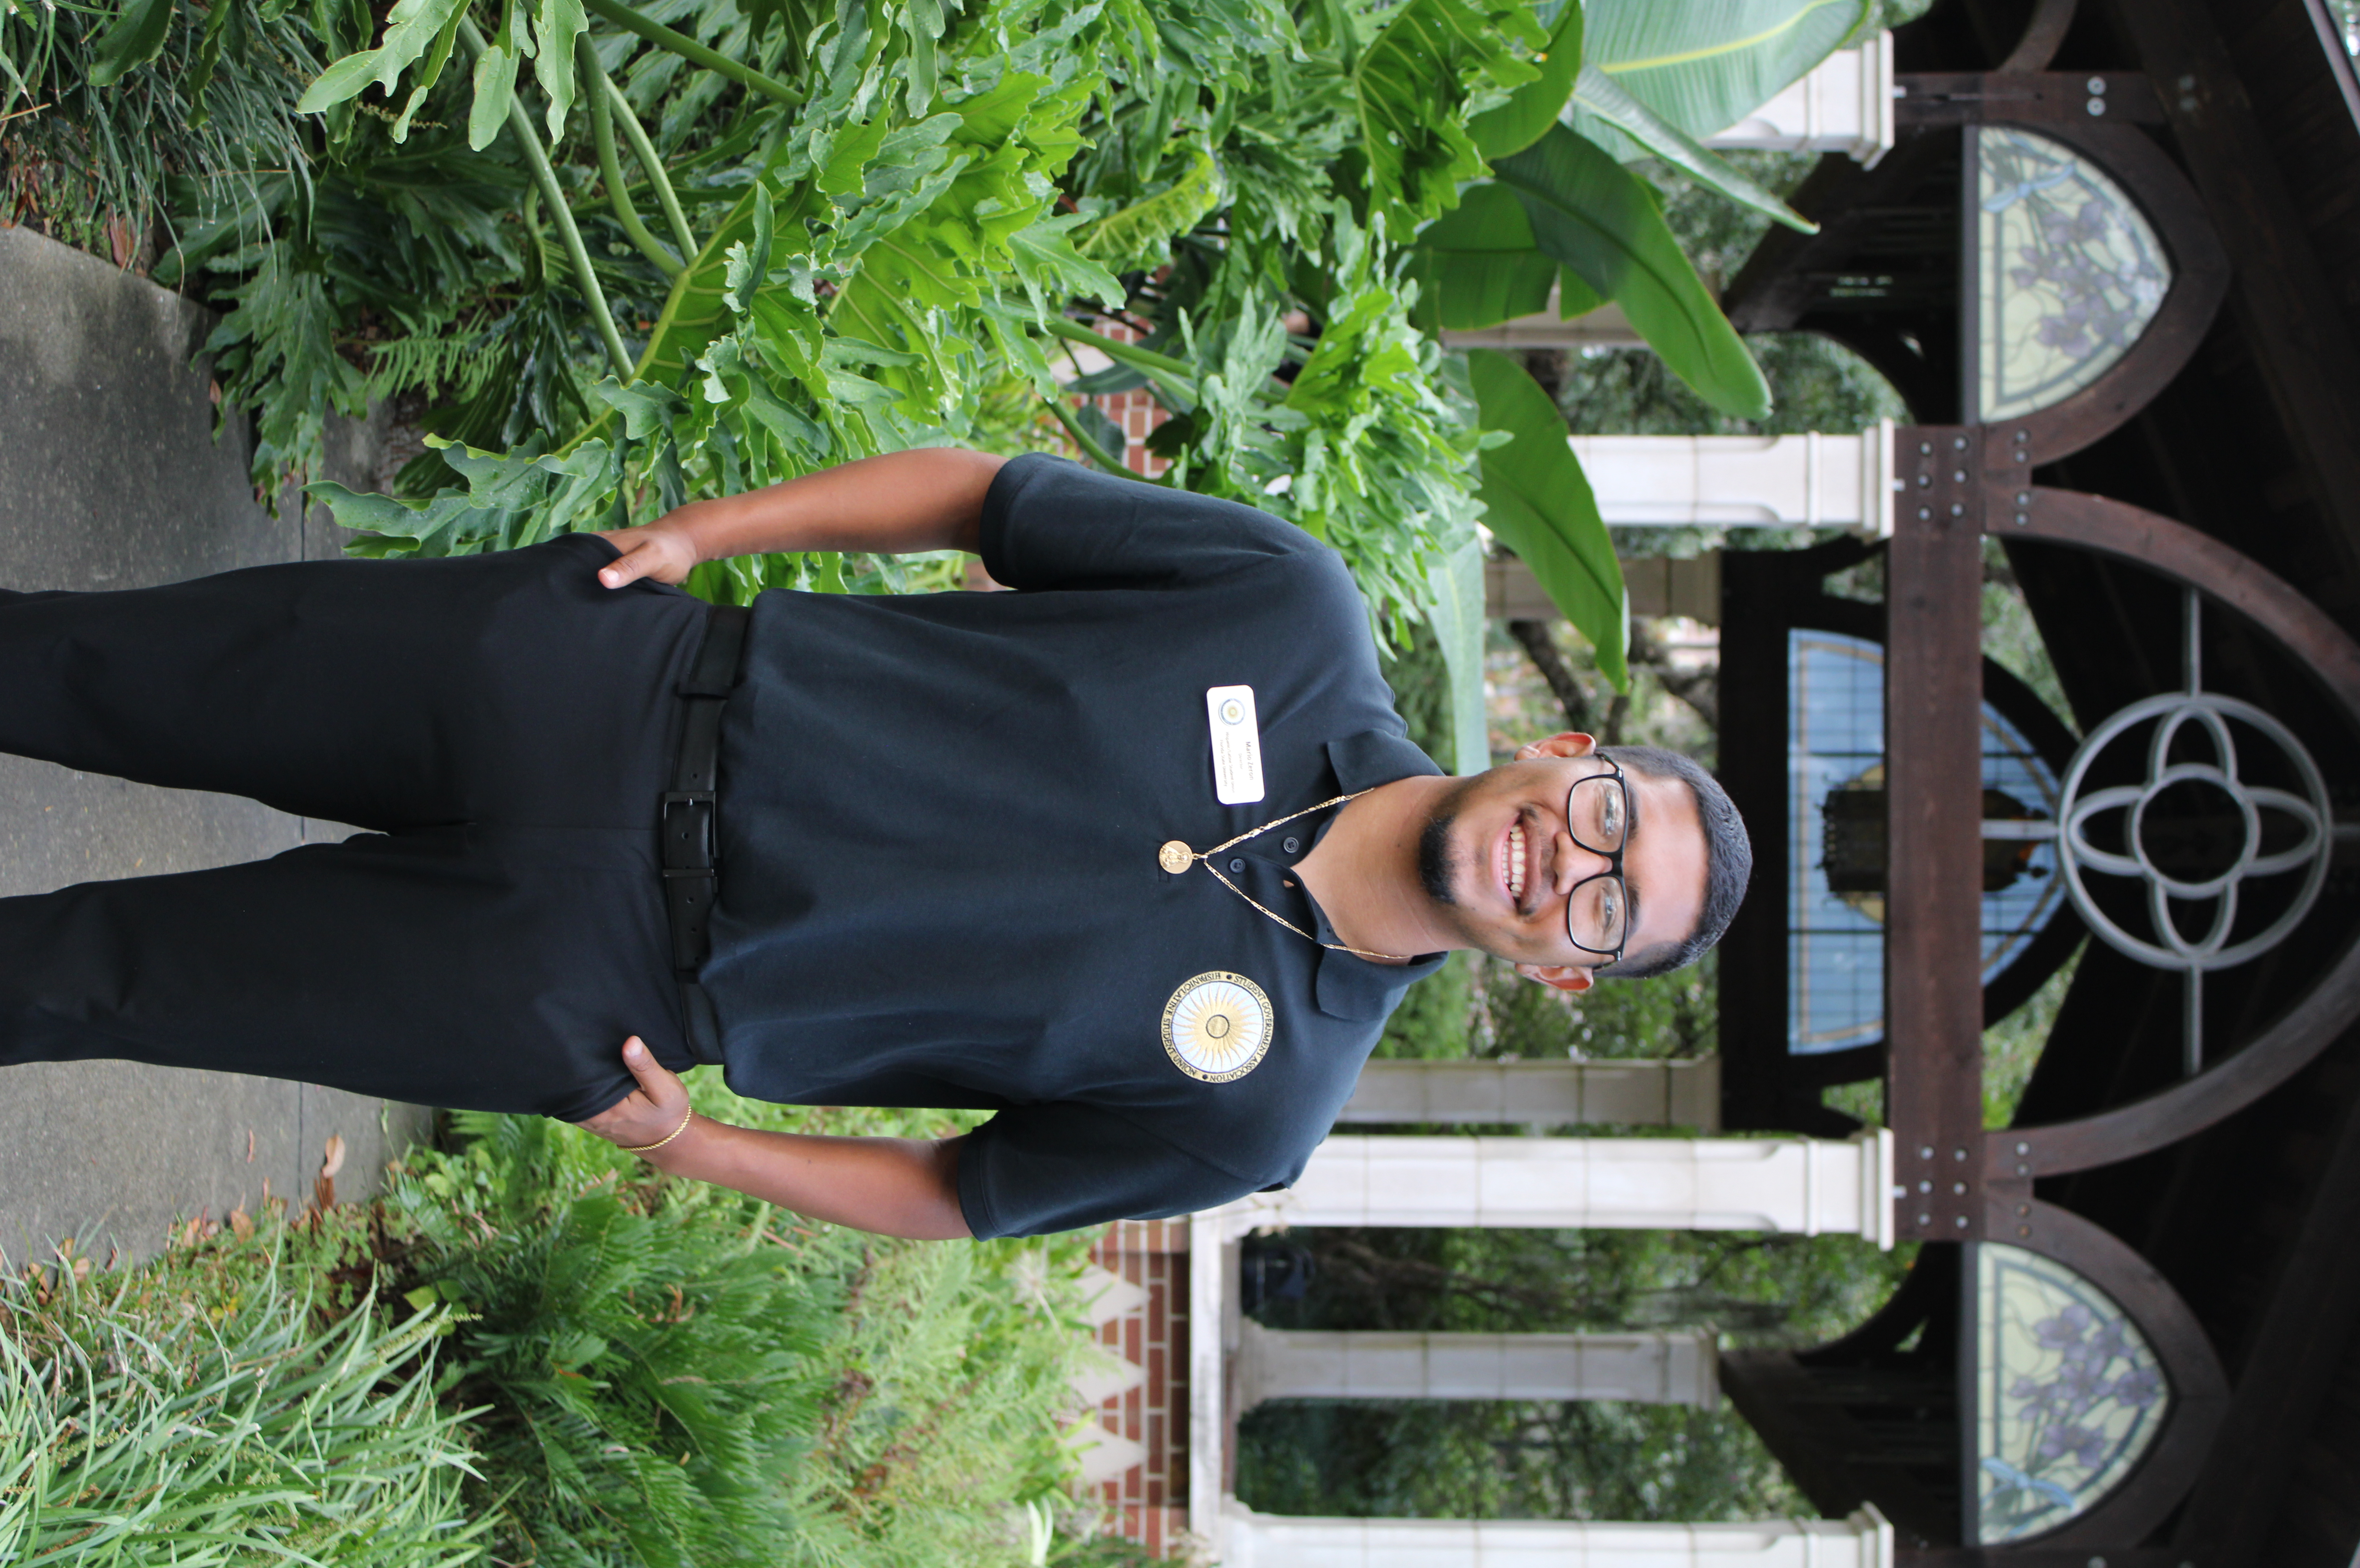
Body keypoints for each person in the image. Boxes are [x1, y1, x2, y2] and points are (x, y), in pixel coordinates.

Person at [0, 448, 1750, 1240]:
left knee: (92, 977)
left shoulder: (1257, 1105)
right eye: (1606, 817)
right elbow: (988, 497)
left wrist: (698, 1152)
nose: (1565, 860)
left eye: (1607, 900)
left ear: (1568, 965)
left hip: (587, 982)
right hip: (604, 685)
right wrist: (703, 531)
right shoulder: (1287, 608)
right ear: (1566, 750)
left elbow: (957, 1193)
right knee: (90, 665)